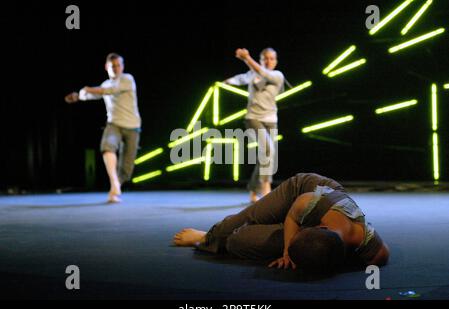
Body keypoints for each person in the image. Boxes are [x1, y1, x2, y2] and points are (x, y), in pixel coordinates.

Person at [173, 173, 390, 275]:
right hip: (301, 192)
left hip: (316, 230)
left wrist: (320, 259)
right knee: (240, 223)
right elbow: (293, 217)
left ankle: (230, 240)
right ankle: (206, 238)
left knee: (239, 241)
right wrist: (287, 251)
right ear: (320, 228)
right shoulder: (311, 202)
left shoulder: (371, 248)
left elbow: (378, 257)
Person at [64, 53, 141, 203]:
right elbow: (92, 94)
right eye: (113, 66)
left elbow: (110, 90)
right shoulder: (105, 84)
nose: (116, 69)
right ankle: (114, 184)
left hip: (133, 126)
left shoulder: (127, 79)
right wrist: (78, 96)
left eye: (119, 66)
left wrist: (88, 88)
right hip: (114, 124)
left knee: (126, 169)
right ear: (107, 67)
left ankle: (115, 187)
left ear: (123, 66)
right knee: (107, 146)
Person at [224, 48, 284, 203]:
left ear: (276, 61)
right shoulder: (252, 74)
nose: (268, 61)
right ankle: (266, 189)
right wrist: (226, 82)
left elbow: (265, 74)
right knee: (268, 149)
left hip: (271, 119)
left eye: (272, 58)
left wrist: (246, 58)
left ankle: (253, 189)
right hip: (253, 118)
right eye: (265, 58)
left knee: (267, 155)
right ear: (261, 59)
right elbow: (240, 79)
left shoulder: (277, 75)